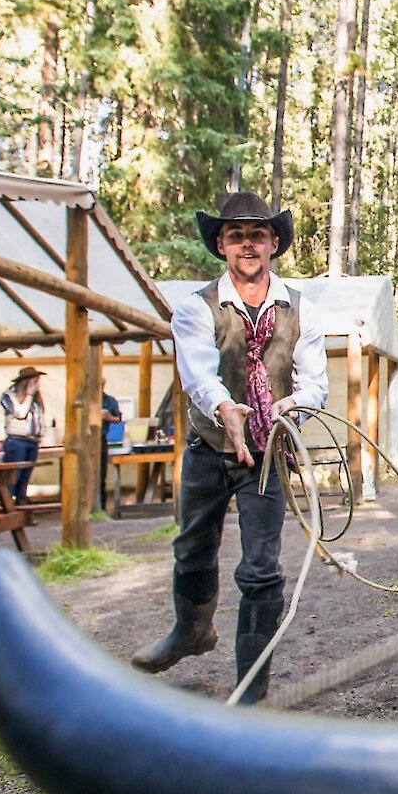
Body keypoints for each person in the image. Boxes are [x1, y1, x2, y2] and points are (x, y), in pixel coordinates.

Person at [131, 191, 328, 705]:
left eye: (257, 235)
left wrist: (289, 410)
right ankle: (191, 632)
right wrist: (227, 409)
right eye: (236, 235)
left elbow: (315, 386)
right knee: (193, 549)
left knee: (261, 569)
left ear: (274, 244)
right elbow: (197, 372)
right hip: (208, 446)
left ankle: (250, 689)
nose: (247, 244)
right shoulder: (195, 308)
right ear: (221, 244)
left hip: (267, 458)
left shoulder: (301, 310)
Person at [0, 368, 47, 504]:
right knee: (14, 476)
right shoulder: (9, 396)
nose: (37, 385)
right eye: (34, 382)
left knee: (25, 477)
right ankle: (7, 503)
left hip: (32, 441)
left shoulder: (36, 400)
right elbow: (20, 413)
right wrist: (29, 395)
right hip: (16, 441)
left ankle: (21, 502)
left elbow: (39, 418)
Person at [100, 391, 125, 511]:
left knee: (101, 475)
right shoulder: (84, 398)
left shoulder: (109, 401)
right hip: (85, 439)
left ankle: (101, 507)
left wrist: (108, 417)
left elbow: (118, 418)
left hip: (101, 439)